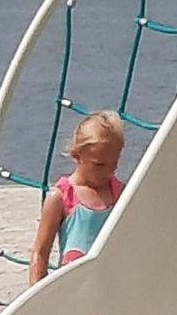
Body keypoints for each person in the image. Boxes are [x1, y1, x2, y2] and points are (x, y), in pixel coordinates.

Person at [28, 110, 126, 284]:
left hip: (113, 283)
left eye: (114, 164)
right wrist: (38, 291)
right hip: (75, 286)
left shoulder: (120, 194)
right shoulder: (61, 197)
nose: (108, 171)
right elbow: (40, 254)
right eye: (99, 165)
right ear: (76, 155)